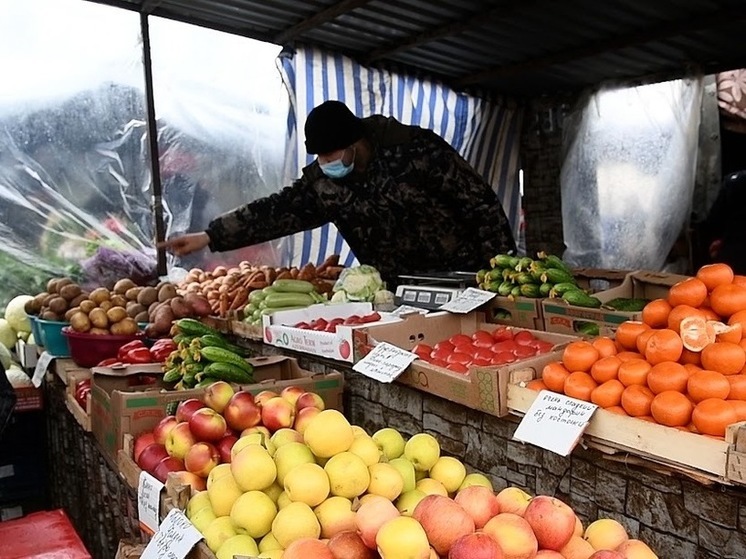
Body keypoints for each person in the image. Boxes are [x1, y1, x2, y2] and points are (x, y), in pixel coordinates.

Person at [160, 100, 517, 287]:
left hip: (463, 280)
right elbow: (277, 211)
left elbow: (480, 204)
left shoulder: (416, 150)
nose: (324, 162)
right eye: (318, 156)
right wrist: (209, 235)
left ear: (354, 142)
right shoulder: (325, 183)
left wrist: (504, 274)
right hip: (398, 291)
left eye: (329, 155)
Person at [698, 169, 746, 274]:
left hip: (730, 269)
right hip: (731, 269)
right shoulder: (734, 183)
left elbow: (712, 227)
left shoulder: (734, 183)